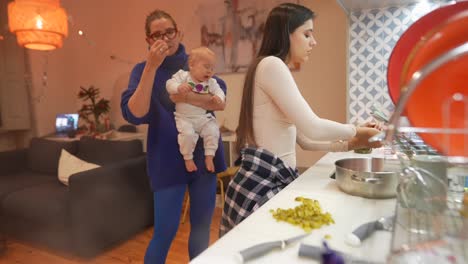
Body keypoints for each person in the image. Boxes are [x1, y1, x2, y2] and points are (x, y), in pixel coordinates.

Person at [219, 3, 382, 236]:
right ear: (286, 33)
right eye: (307, 34)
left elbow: (304, 139)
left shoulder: (268, 66)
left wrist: (350, 143)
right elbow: (313, 127)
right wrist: (355, 131)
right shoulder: (272, 65)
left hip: (261, 181)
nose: (313, 42)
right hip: (262, 185)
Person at [120, 9, 227, 264]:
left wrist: (186, 97)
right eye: (157, 35)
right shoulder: (142, 69)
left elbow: (219, 96)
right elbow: (134, 113)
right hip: (166, 158)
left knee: (201, 227)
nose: (165, 38)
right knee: (165, 232)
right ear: (148, 40)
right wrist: (151, 67)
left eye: (169, 31)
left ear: (178, 32)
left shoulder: (195, 60)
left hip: (203, 155)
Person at [166, 47, 225, 173]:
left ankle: (209, 156)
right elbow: (169, 84)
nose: (209, 71)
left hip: (202, 118)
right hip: (184, 118)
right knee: (187, 135)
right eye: (206, 66)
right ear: (192, 65)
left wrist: (219, 97)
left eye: (212, 68)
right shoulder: (183, 76)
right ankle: (188, 158)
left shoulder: (211, 82)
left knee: (213, 130)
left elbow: (219, 91)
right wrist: (178, 87)